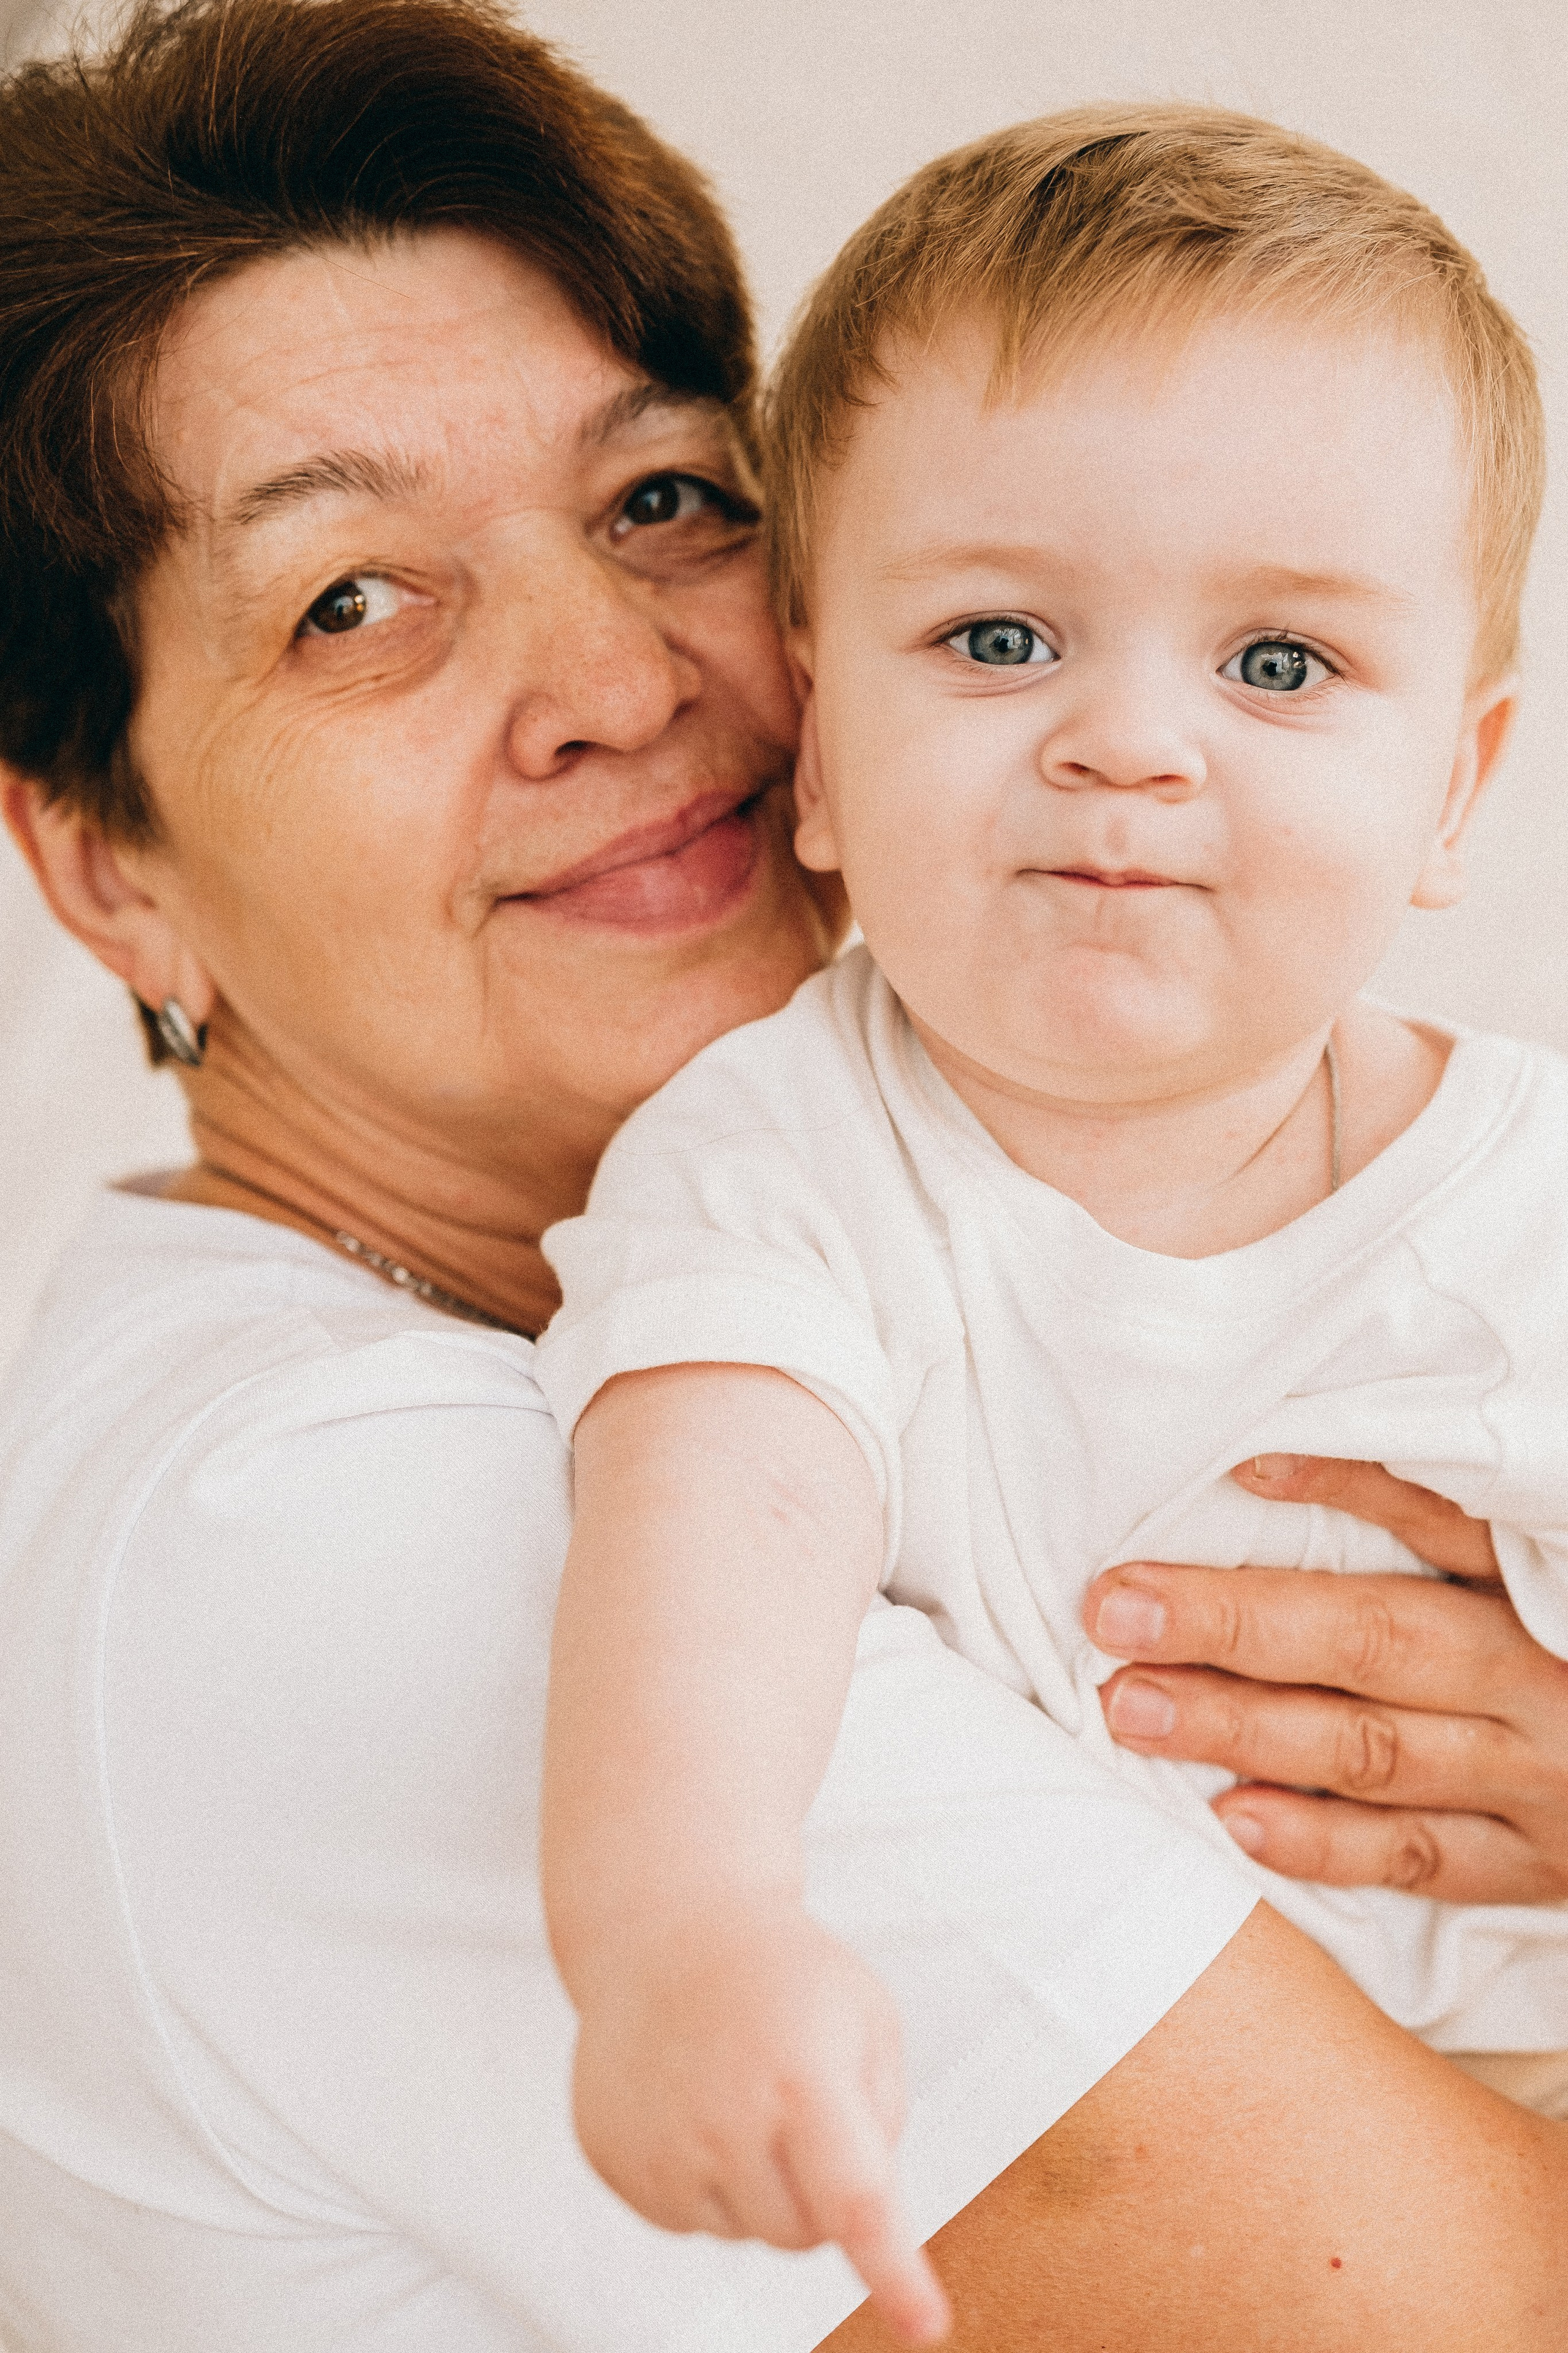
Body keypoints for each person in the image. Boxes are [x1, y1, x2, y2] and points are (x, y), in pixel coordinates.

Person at [1, 6, 1565, 2347]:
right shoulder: (340, 1520)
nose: (617, 681)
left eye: (664, 503)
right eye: (352, 597)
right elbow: (1446, 2306)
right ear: (110, 863)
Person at [534, 105, 1568, 2333]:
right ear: (811, 745)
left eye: (1278, 664)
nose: (1131, 742)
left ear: (1453, 793)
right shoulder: (778, 1161)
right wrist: (685, 1938)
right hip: (1158, 2188)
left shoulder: (1540, 1209)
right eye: (1000, 636)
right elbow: (714, 1530)